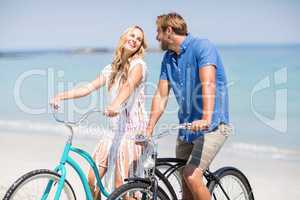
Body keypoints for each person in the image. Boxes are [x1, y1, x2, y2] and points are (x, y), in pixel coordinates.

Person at [50, 25, 148, 199]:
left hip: (132, 133)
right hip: (114, 131)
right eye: (132, 35)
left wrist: (116, 104)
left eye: (139, 39)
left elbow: (128, 86)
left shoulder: (138, 65)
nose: (134, 40)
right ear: (124, 37)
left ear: (140, 46)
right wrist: (61, 96)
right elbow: (88, 88)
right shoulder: (111, 69)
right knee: (91, 180)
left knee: (122, 188)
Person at [146, 12, 232, 200]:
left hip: (213, 125)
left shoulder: (202, 47)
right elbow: (161, 95)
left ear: (169, 30)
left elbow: (208, 83)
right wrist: (149, 128)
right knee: (185, 189)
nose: (156, 37)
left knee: (191, 176)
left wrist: (206, 118)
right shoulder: (168, 59)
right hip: (187, 128)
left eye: (158, 31)